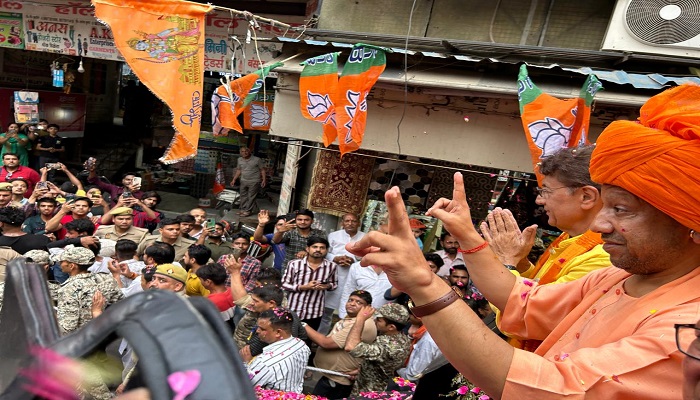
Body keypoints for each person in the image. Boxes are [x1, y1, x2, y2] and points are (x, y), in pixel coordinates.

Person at [346, 84, 700, 400]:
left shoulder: (687, 329)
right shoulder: (623, 276)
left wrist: (424, 283)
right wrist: (465, 237)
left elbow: (555, 388)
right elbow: (525, 305)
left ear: (689, 220)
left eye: (621, 209)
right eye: (608, 206)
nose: (603, 223)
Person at [480, 145, 610, 350]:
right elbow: (543, 290)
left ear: (586, 197)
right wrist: (522, 265)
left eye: (546, 191)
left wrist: (507, 263)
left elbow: (527, 319)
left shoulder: (605, 257)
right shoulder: (570, 239)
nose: (539, 200)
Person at [305, 290, 378, 399]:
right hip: (333, 376)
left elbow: (326, 343)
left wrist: (303, 325)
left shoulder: (362, 324)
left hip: (338, 380)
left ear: (368, 307)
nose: (352, 303)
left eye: (359, 302)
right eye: (350, 300)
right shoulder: (352, 319)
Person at [345, 303, 412, 395]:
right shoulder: (398, 337)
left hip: (370, 393)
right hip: (367, 382)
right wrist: (361, 371)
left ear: (391, 327)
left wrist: (360, 319)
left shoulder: (390, 346)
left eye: (379, 320)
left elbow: (351, 347)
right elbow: (379, 362)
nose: (375, 320)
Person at [55, 246, 123, 334]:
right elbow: (121, 304)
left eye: (61, 262)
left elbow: (67, 329)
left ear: (72, 266)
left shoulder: (68, 289)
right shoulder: (106, 279)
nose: (60, 264)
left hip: (81, 339)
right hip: (105, 333)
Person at [243, 307, 311, 393]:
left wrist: (247, 363)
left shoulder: (264, 363)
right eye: (258, 327)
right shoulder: (301, 345)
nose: (257, 331)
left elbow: (245, 387)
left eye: (262, 329)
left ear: (278, 332)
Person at [320, 213, 365, 334]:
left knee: (350, 311)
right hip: (334, 276)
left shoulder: (364, 237)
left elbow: (367, 255)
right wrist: (336, 258)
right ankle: (321, 337)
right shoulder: (333, 236)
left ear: (359, 223)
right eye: (347, 221)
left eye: (354, 221)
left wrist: (353, 260)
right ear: (342, 223)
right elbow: (325, 253)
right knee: (326, 311)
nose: (350, 223)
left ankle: (342, 336)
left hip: (354, 277)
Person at [282, 236, 337, 329]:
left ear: (326, 250)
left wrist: (326, 286)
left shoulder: (331, 266)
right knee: (289, 338)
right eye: (315, 247)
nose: (318, 250)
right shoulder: (294, 264)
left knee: (308, 341)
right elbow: (284, 284)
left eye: (322, 248)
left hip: (315, 312)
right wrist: (304, 287)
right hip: (294, 309)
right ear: (308, 249)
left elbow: (334, 284)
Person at [195, 262, 235, 327]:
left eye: (200, 279)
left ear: (208, 282)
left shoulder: (209, 302)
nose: (200, 282)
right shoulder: (233, 291)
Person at [230, 146, 266, 217]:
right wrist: (234, 179)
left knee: (251, 196)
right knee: (243, 196)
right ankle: (243, 210)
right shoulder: (239, 160)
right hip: (243, 180)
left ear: (249, 152)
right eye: (242, 151)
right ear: (240, 153)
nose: (244, 153)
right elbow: (239, 170)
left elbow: (262, 170)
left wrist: (264, 180)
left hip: (254, 181)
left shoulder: (257, 159)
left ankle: (248, 211)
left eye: (246, 151)